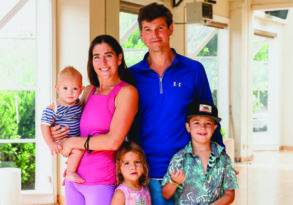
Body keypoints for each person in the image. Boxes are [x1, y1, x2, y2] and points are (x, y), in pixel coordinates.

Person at [128, 3, 224, 204]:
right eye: (148, 30)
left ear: (171, 28)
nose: (154, 35)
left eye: (160, 28)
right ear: (142, 34)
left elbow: (209, 119)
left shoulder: (193, 70)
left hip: (188, 170)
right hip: (146, 172)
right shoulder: (132, 75)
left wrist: (222, 160)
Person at [52, 35, 138, 205]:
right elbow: (73, 122)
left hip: (101, 181)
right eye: (96, 57)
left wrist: (73, 142)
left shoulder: (127, 93)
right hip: (74, 179)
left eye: (108, 55)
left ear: (119, 58)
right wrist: (56, 132)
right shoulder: (88, 91)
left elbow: (113, 142)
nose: (102, 62)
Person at [161, 101, 238, 205]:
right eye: (196, 123)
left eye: (208, 123)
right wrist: (174, 182)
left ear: (214, 128)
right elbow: (166, 194)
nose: (202, 127)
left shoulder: (223, 158)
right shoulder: (179, 158)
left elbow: (230, 195)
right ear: (188, 127)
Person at [41, 66, 85, 183]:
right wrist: (51, 143)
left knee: (81, 151)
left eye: (74, 89)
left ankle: (69, 172)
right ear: (57, 89)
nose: (69, 92)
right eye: (65, 88)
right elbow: (44, 124)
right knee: (78, 151)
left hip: (75, 139)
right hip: (63, 141)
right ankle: (70, 173)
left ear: (81, 90)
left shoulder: (78, 104)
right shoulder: (54, 108)